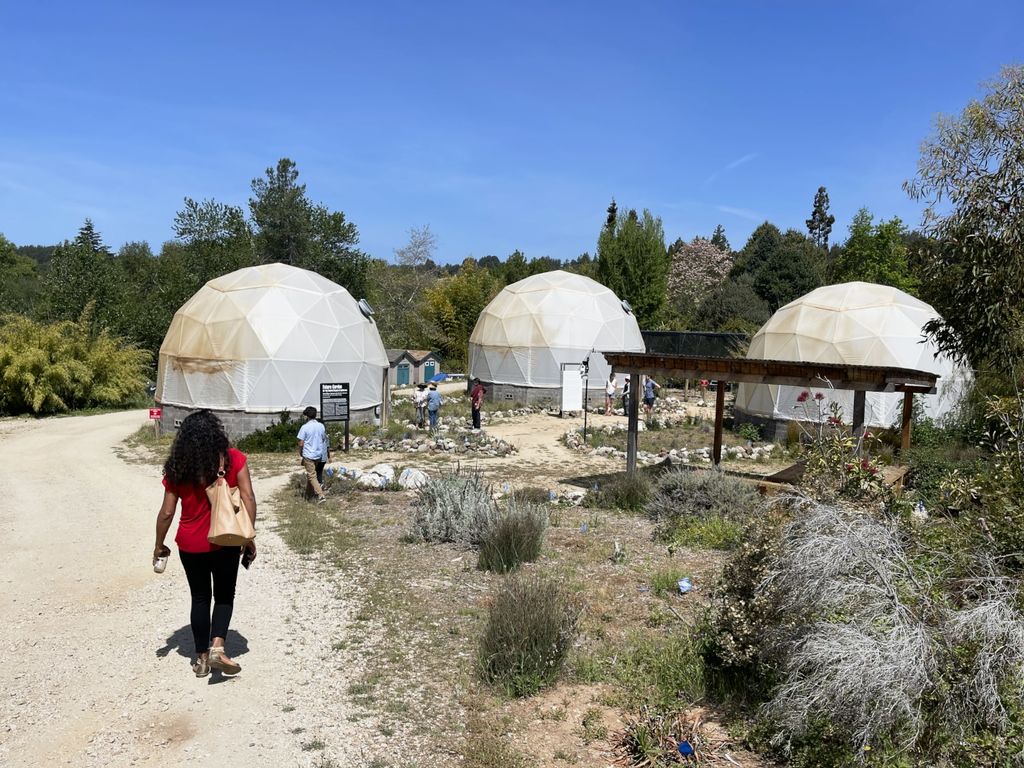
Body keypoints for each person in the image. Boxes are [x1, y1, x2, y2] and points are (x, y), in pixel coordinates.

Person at [154, 410, 256, 678]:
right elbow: (248, 498)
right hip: (227, 540)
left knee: (200, 598)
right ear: (217, 431)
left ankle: (200, 659)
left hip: (190, 544)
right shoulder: (234, 459)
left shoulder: (179, 464)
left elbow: (167, 512)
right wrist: (249, 537)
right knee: (224, 596)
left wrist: (159, 544)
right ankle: (218, 646)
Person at [297, 406, 330, 503]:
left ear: (306, 416)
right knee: (312, 475)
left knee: (311, 475)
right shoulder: (321, 426)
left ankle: (320, 495)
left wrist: (300, 452)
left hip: (308, 454)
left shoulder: (305, 427)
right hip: (318, 454)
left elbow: (301, 442)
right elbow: (323, 438)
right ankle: (308, 495)